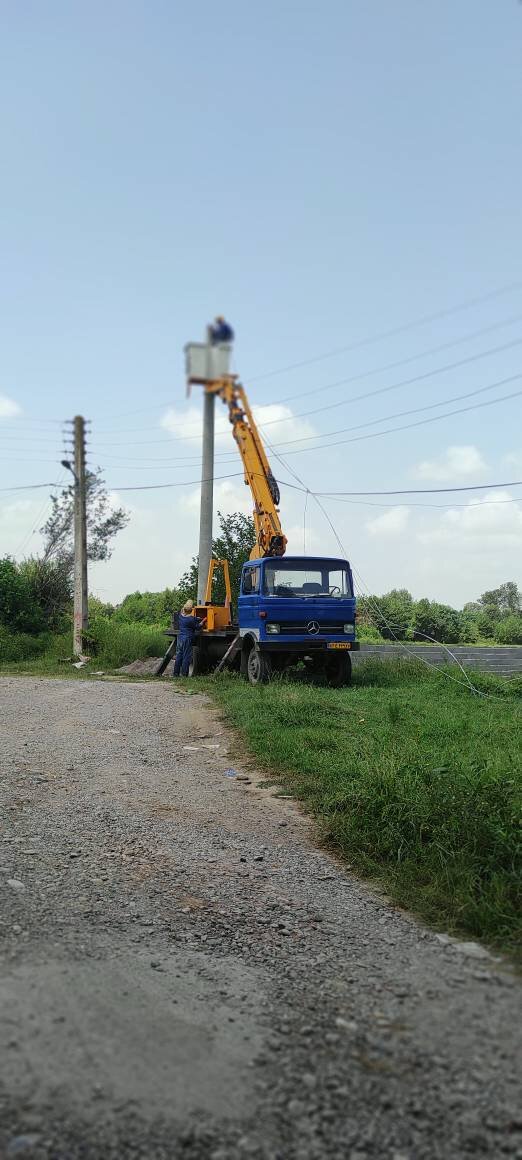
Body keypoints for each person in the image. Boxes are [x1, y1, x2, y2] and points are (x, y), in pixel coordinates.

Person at [173, 600, 201, 677]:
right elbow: (198, 627)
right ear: (192, 610)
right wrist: (201, 623)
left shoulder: (181, 616)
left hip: (180, 638)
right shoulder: (191, 619)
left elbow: (186, 614)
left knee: (179, 656)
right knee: (186, 656)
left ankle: (176, 674)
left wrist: (197, 618)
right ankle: (184, 674)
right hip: (187, 639)